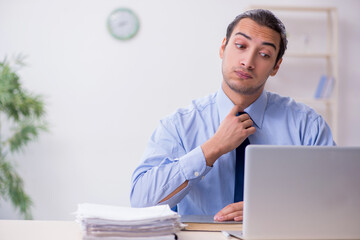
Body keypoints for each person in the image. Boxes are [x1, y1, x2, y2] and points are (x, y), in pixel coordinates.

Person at [130, 9, 335, 222]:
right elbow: (141, 203)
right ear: (223, 48)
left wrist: (273, 210)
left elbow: (338, 198)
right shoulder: (179, 125)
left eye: (264, 54)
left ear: (276, 66)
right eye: (240, 46)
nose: (248, 62)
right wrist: (212, 149)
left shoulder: (307, 125)